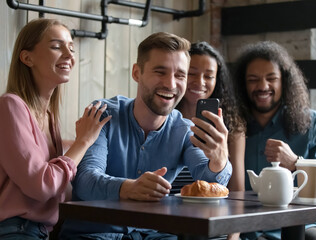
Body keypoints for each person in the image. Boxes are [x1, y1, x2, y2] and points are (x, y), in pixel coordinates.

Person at [60, 32, 232, 239]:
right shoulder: (102, 114)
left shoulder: (184, 130)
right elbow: (86, 181)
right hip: (95, 235)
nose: (170, 84)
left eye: (180, 75)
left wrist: (220, 160)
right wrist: (127, 188)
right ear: (136, 73)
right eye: (160, 72)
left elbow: (208, 180)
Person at [0, 18, 110, 239]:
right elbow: (42, 187)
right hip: (12, 231)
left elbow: (58, 186)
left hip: (40, 232)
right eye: (57, 46)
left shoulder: (48, 116)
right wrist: (83, 142)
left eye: (71, 48)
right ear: (27, 58)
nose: (69, 54)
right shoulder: (9, 106)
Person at [231, 41, 316, 240]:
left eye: (271, 78)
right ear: (242, 85)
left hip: (304, 228)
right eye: (253, 79)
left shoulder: (313, 123)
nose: (263, 86)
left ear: (285, 81)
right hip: (247, 231)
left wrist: (296, 163)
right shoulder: (232, 128)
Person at [176, 41, 245, 240]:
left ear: (217, 80)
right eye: (192, 73)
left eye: (209, 76)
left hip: (214, 226)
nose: (200, 82)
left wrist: (233, 237)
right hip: (170, 224)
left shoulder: (232, 126)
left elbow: (237, 191)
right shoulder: (164, 119)